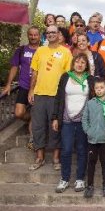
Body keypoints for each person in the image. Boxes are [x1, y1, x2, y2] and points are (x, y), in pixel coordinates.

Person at [28, 25, 72, 171]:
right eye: (48, 33)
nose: (51, 34)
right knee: (38, 126)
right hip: (40, 94)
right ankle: (39, 157)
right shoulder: (40, 50)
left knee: (55, 127)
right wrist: (31, 90)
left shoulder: (66, 52)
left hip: (56, 96)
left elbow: (67, 76)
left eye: (54, 32)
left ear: (59, 34)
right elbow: (34, 72)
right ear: (45, 35)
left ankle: (55, 158)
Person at [53, 53, 95, 193]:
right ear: (73, 64)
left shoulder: (90, 79)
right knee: (66, 149)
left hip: (83, 121)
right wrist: (55, 117)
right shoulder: (65, 77)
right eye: (77, 62)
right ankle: (64, 179)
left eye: (83, 62)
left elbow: (95, 99)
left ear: (86, 65)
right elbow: (59, 98)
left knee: (82, 150)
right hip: (67, 120)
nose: (80, 64)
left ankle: (80, 179)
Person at [2, 26, 40, 150]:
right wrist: (8, 84)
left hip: (39, 88)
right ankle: (33, 118)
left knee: (37, 112)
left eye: (36, 35)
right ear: (28, 35)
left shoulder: (44, 50)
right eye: (31, 35)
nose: (33, 37)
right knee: (19, 113)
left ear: (39, 36)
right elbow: (14, 67)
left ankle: (33, 139)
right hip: (24, 85)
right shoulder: (21, 50)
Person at [82, 78, 105, 198]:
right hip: (92, 139)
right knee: (91, 162)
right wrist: (88, 131)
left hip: (104, 139)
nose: (99, 90)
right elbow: (84, 119)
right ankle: (90, 186)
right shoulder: (90, 103)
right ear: (94, 90)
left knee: (104, 162)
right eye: (97, 88)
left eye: (101, 88)